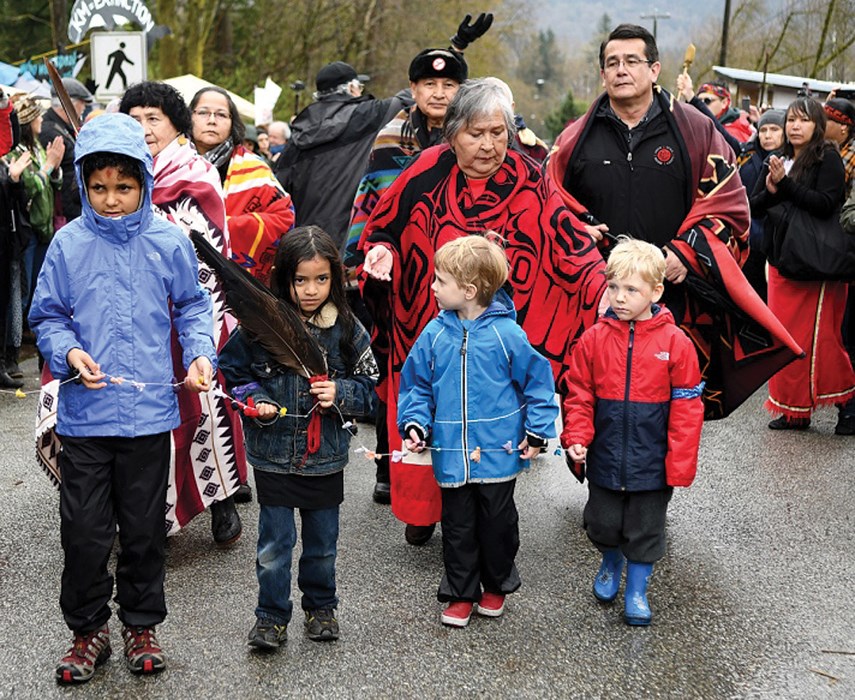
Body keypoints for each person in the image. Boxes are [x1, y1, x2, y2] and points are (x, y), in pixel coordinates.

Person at [360, 78, 607, 545]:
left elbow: (566, 238)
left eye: (498, 132)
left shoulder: (529, 174)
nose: (490, 145)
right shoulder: (425, 169)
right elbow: (383, 227)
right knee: (427, 413)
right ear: (452, 133)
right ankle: (421, 511)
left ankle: (483, 513)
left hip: (495, 330)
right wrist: (383, 254)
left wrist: (602, 285)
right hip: (428, 324)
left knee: (483, 416)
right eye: (477, 133)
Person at [27, 112, 217, 683]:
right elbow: (48, 315)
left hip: (148, 419)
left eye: (125, 187)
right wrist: (67, 354)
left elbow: (192, 305)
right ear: (83, 185)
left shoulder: (167, 240)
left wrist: (201, 351)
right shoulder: (67, 243)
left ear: (145, 184)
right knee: (84, 534)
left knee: (142, 531)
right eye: (99, 187)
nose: (111, 199)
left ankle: (141, 624)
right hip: (85, 422)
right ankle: (87, 633)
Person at [547, 23, 802, 425]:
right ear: (602, 74)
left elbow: (729, 204)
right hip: (600, 294)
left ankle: (656, 487)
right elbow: (552, 202)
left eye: (632, 61)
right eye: (612, 63)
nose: (621, 70)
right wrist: (578, 233)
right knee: (595, 407)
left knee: (665, 413)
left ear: (654, 69)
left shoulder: (696, 130)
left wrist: (687, 251)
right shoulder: (575, 138)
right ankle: (602, 486)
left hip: (674, 297)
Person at [219, 226, 377, 650]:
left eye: (321, 279)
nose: (311, 290)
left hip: (325, 458)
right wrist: (255, 398)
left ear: (335, 279)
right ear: (284, 277)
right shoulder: (259, 324)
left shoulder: (346, 329)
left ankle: (321, 607)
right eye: (301, 280)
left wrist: (340, 393)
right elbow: (232, 371)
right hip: (272, 456)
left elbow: (372, 388)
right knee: (274, 546)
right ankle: (270, 617)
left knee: (322, 545)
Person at [108, 80, 245, 542]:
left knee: (204, 410)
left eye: (154, 118)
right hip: (127, 317)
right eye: (135, 118)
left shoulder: (195, 172)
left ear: (174, 125)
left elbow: (204, 247)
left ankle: (222, 498)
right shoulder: (112, 173)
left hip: (188, 312)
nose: (144, 128)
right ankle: (140, 515)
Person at [397, 235, 558, 627]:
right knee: (457, 526)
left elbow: (538, 383)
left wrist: (538, 431)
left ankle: (496, 584)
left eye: (440, 281)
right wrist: (415, 422)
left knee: (498, 523)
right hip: (451, 452)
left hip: (498, 452)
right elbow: (415, 384)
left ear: (468, 291)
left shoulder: (508, 336)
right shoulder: (434, 335)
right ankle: (460, 592)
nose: (432, 287)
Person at [345, 46, 467, 506]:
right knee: (397, 369)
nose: (439, 93)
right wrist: (363, 259)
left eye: (449, 85)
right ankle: (387, 462)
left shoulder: (473, 135)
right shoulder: (391, 139)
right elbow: (371, 204)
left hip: (461, 278)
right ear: (413, 90)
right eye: (429, 85)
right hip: (406, 282)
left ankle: (453, 471)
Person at [562, 238, 703, 626]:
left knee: (645, 530)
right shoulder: (593, 339)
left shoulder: (676, 344)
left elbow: (688, 410)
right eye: (613, 287)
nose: (618, 298)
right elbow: (578, 394)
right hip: (606, 456)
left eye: (631, 290)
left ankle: (637, 590)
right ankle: (610, 561)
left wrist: (679, 464)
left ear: (656, 291)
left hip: (652, 463)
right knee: (602, 522)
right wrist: (576, 436)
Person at [749, 97, 855, 432]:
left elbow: (825, 205)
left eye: (803, 120)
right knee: (786, 340)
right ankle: (795, 411)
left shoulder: (828, 158)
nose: (794, 126)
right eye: (791, 120)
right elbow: (755, 206)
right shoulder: (777, 158)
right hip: (782, 263)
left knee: (822, 339)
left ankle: (848, 404)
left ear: (818, 126)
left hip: (816, 266)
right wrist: (770, 189)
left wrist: (786, 185)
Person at [190, 86, 295, 286]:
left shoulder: (254, 168)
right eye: (203, 112)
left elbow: (284, 218)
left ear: (232, 122)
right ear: (189, 117)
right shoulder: (171, 165)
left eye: (221, 114)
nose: (212, 120)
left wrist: (220, 229)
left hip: (238, 287)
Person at [5, 94, 64, 353]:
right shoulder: (15, 151)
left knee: (39, 288)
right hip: (26, 230)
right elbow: (29, 188)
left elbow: (54, 184)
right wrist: (49, 167)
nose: (42, 119)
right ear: (28, 122)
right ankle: (12, 348)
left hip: (44, 229)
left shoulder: (37, 147)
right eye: (37, 116)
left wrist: (55, 168)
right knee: (22, 293)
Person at [737, 108, 786, 300]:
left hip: (773, 241)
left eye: (774, 129)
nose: (767, 135)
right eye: (763, 130)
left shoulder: (788, 160)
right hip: (748, 234)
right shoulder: (747, 154)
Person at [39, 77, 93, 223]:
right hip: (64, 213)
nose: (83, 109)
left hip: (74, 207)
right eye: (82, 103)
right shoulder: (48, 130)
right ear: (69, 104)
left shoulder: (66, 127)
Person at [0, 151, 30, 389]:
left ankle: (1, 365)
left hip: (5, 246)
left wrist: (15, 180)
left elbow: (18, 204)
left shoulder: (4, 163)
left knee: (3, 307)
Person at [823, 97, 855, 194]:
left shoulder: (852, 154)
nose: (821, 123)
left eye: (826, 119)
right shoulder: (823, 145)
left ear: (843, 126)